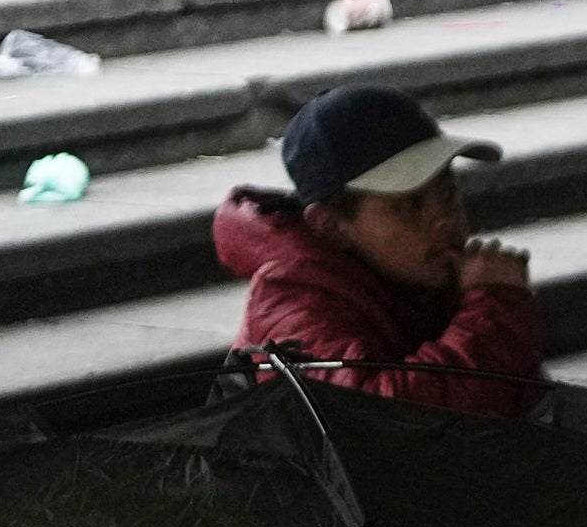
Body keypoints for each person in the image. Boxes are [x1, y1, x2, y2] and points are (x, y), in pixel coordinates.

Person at [216, 85, 538, 415]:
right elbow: (377, 418)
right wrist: (493, 309)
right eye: (410, 204)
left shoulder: (432, 275)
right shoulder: (289, 295)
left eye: (447, 193)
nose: (443, 220)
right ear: (330, 226)